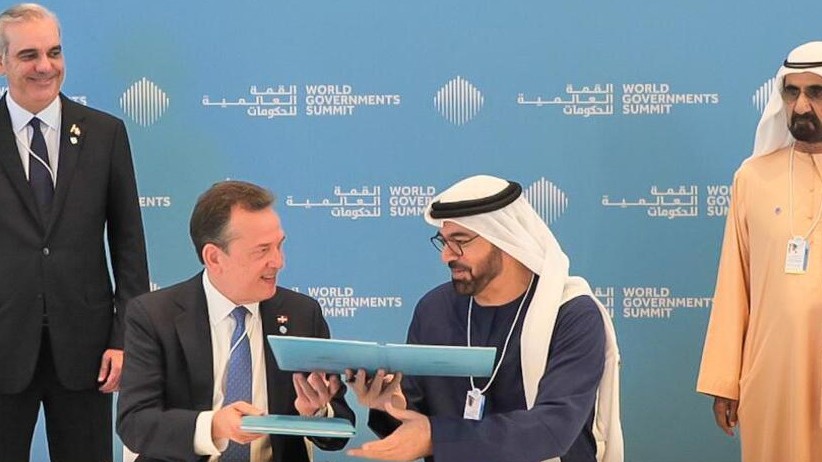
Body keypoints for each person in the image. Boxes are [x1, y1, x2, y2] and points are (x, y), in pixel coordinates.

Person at [347, 175, 623, 462]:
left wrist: (438, 437)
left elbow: (552, 429)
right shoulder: (434, 309)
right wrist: (389, 405)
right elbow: (415, 422)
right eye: (444, 242)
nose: (446, 256)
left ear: (505, 240)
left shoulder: (571, 314)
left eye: (460, 242)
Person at [0, 3, 149, 461]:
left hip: (87, 352)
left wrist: (124, 338)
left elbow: (129, 246)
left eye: (54, 52)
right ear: (2, 62)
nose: (45, 66)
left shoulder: (105, 134)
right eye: (28, 55)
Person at [117, 180, 355, 462]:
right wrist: (214, 426)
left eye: (279, 246)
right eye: (262, 250)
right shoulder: (155, 316)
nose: (278, 262)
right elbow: (135, 423)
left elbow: (339, 432)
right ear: (214, 258)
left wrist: (316, 413)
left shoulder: (302, 313)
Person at [697, 41, 822, 462]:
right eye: (792, 92)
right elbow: (734, 283)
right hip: (773, 374)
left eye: (816, 92)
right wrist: (724, 381)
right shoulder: (752, 178)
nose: (801, 106)